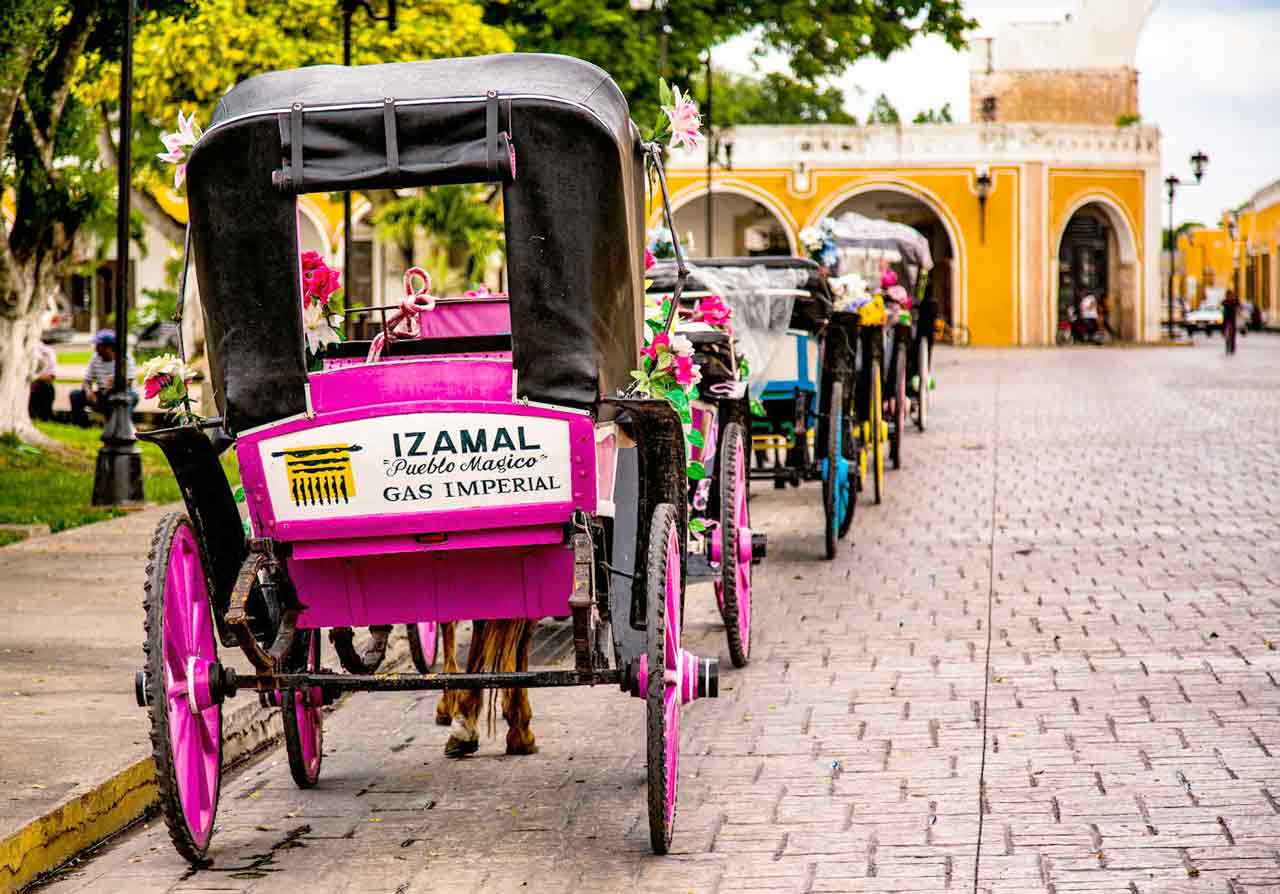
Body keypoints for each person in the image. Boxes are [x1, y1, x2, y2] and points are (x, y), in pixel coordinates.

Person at [69, 330, 137, 426]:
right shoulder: (95, 358)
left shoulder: (125, 358)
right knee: (75, 395)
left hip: (125, 392)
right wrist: (89, 392)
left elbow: (129, 381)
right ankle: (81, 425)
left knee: (118, 397)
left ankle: (121, 426)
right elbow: (87, 380)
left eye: (98, 345)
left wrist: (115, 381)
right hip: (103, 393)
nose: (96, 348)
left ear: (109, 347)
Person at [27, 341, 56, 421]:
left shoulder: (46, 351)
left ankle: (44, 417)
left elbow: (50, 376)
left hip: (37, 383)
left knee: (46, 386)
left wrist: (33, 378)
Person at [1222, 289, 1240, 355]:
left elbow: (1238, 307)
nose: (1228, 296)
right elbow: (1221, 306)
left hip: (1232, 320)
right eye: (1227, 295)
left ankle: (1232, 349)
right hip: (1226, 320)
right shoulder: (1225, 301)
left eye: (1229, 295)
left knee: (1232, 336)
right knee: (1227, 335)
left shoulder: (1234, 301)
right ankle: (1227, 348)